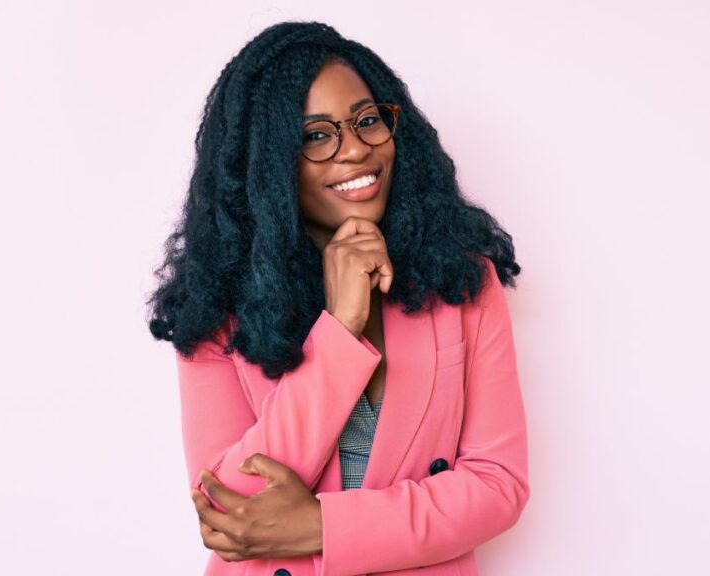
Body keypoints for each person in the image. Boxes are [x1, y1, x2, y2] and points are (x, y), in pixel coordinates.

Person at [146, 20, 529, 576]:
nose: (354, 150)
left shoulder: (463, 281)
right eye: (316, 135)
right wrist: (339, 330)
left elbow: (498, 485)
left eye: (367, 121)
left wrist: (324, 527)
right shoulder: (215, 307)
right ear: (268, 165)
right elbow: (227, 507)